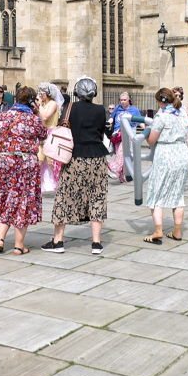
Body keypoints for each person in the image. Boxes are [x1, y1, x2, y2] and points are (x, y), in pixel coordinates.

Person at [44, 77, 108, 255]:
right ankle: (96, 243)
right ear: (93, 93)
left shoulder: (69, 108)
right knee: (97, 197)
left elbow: (62, 127)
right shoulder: (100, 110)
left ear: (77, 93)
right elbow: (102, 132)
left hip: (75, 158)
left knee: (64, 196)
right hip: (97, 158)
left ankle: (58, 242)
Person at [0, 86, 48, 255]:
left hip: (5, 162)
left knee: (5, 197)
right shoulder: (33, 119)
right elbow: (44, 136)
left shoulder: (2, 117)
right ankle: (19, 246)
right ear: (32, 101)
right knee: (23, 201)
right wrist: (37, 112)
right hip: (26, 164)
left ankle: (0, 238)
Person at [143, 88, 188, 244]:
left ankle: (158, 231)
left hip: (165, 154)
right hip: (182, 154)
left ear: (161, 101)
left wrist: (146, 129)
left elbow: (151, 140)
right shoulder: (183, 114)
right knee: (178, 195)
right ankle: (177, 231)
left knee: (156, 193)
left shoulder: (161, 117)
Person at [36, 82, 65, 193]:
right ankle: (36, 185)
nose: (39, 95)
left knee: (51, 162)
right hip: (42, 135)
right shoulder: (42, 105)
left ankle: (60, 184)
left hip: (51, 134)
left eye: (41, 93)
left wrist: (39, 106)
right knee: (38, 161)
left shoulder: (53, 104)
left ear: (47, 93)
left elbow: (45, 117)